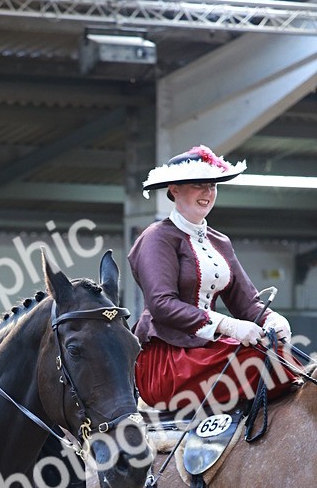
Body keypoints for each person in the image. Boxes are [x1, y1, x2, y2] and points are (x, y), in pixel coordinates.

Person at [128, 144, 303, 412]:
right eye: (199, 184)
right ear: (174, 190)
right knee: (274, 361)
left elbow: (247, 303)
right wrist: (229, 327)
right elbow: (162, 305)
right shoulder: (156, 238)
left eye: (212, 186)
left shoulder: (220, 241)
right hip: (166, 360)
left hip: (207, 349)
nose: (208, 192)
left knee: (283, 357)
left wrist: (273, 321)